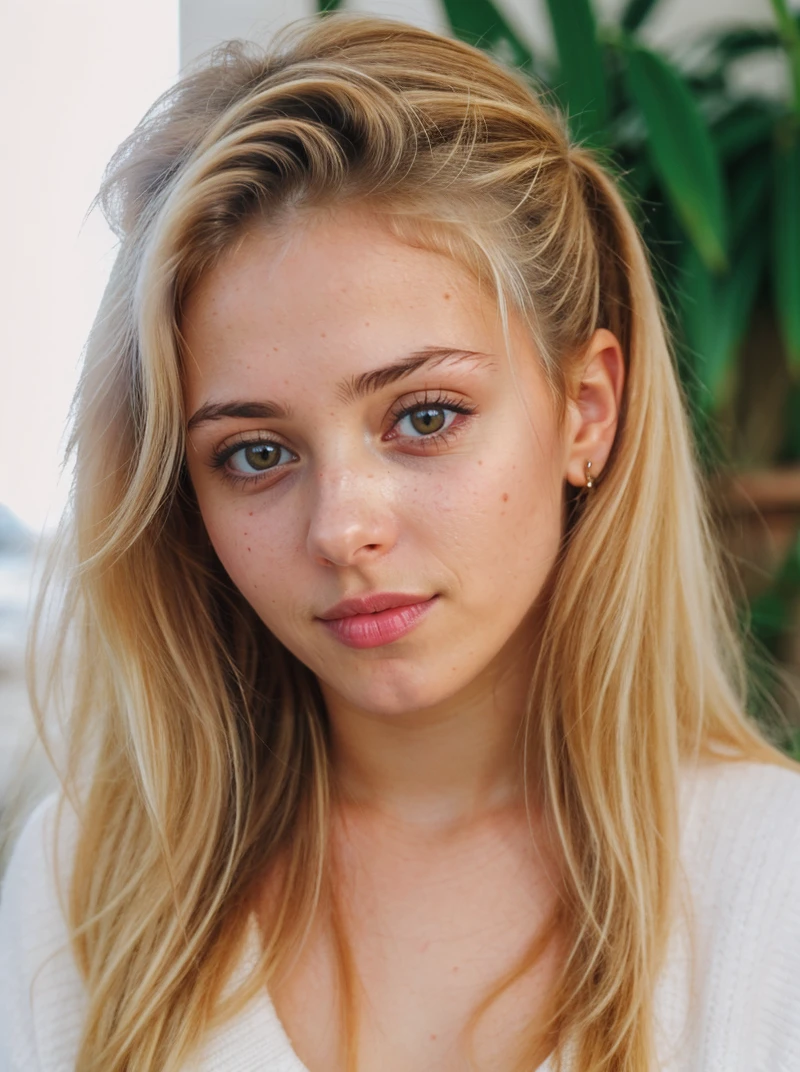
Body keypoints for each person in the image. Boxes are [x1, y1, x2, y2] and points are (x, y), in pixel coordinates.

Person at [1, 11, 799, 1072]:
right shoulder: (85, 876)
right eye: (253, 453)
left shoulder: (771, 885)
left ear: (585, 409)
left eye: (423, 416)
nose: (342, 528)